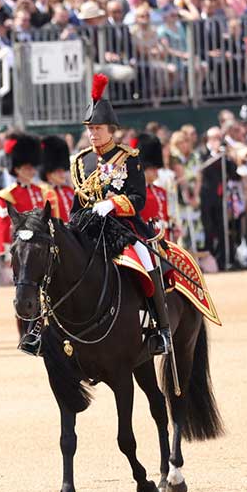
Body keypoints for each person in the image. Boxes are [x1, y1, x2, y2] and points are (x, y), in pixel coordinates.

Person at [71, 73, 170, 355]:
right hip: (88, 225)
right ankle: (41, 330)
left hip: (122, 225)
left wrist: (115, 205)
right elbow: (78, 200)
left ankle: (161, 329)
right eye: (89, 128)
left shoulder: (129, 158)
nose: (93, 133)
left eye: (98, 128)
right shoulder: (80, 161)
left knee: (147, 260)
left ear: (110, 129)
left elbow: (139, 198)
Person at [0, 132, 61, 260]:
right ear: (17, 169)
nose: (32, 171)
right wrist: (5, 253)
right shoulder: (8, 195)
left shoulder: (42, 191)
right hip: (21, 247)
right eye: (27, 168)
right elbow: (3, 226)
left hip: (42, 246)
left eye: (32, 168)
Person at [39, 135, 75, 222]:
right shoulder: (42, 193)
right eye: (58, 171)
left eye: (63, 170)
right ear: (48, 173)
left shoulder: (69, 191)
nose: (63, 174)